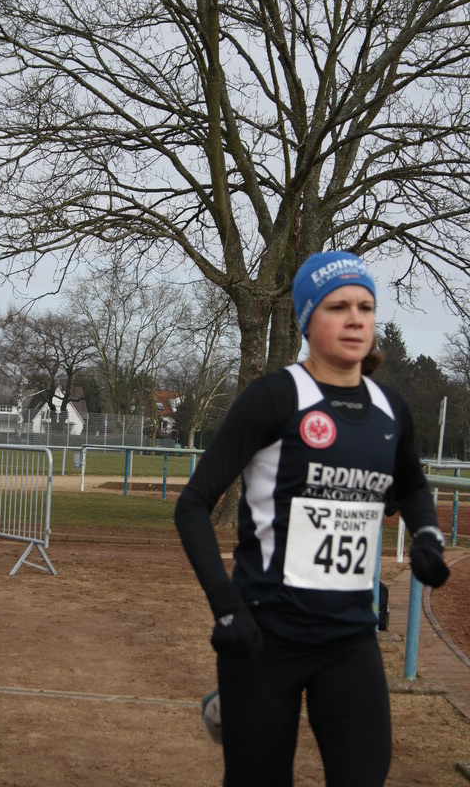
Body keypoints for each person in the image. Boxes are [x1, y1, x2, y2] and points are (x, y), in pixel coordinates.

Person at [174, 250, 450, 787]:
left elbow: (413, 485)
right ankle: (236, 703)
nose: (355, 319)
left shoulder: (391, 408)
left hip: (350, 637)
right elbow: (193, 505)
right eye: (337, 307)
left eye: (365, 307)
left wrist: (428, 538)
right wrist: (227, 609)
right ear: (306, 319)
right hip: (264, 635)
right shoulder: (274, 398)